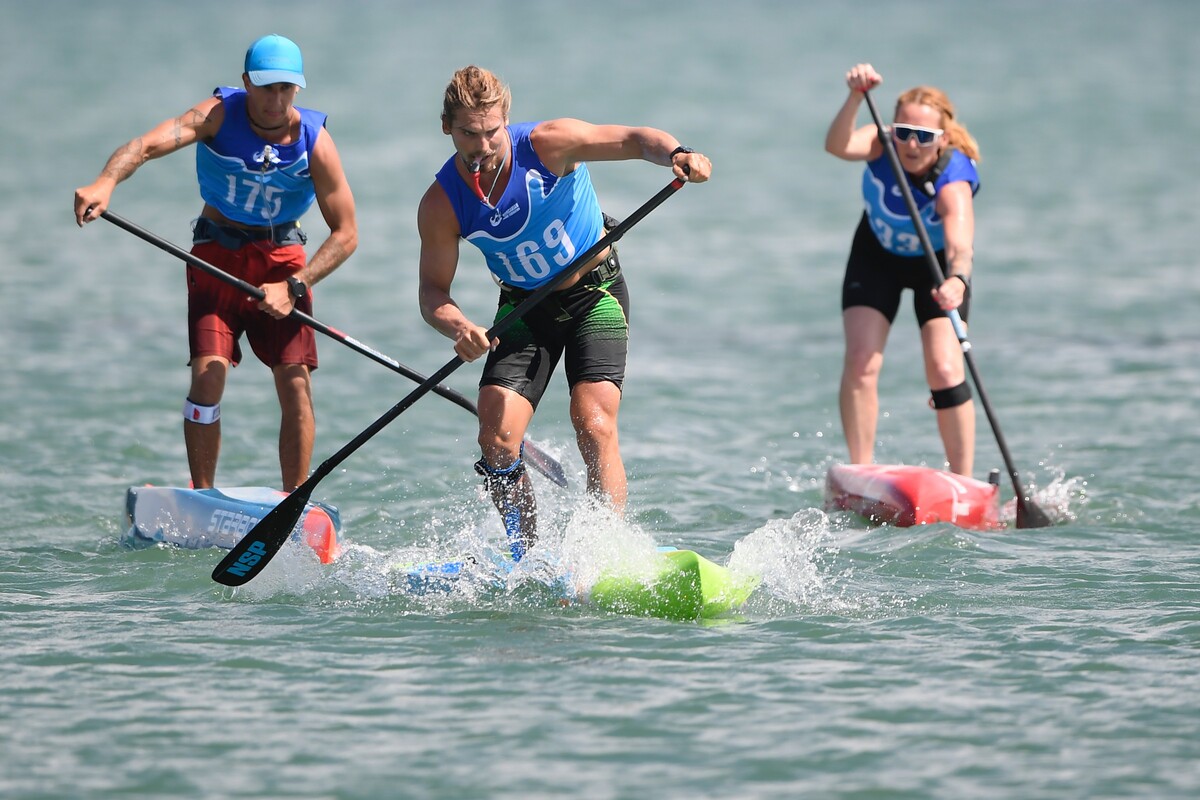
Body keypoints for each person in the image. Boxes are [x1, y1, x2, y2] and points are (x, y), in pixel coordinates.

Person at [417, 65, 711, 561]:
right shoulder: (442, 203)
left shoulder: (550, 144)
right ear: (447, 128)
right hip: (523, 309)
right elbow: (432, 293)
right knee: (496, 439)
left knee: (592, 422)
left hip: (594, 295)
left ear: (504, 120)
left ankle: (605, 554)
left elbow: (637, 140)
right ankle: (526, 558)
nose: (483, 146)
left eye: (491, 132)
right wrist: (460, 326)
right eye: (469, 134)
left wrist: (679, 154)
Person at [74, 34, 357, 491]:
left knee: (296, 386)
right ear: (246, 82)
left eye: (286, 89)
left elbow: (347, 234)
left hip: (283, 263)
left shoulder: (314, 142)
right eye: (266, 88)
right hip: (216, 258)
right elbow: (143, 146)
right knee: (208, 376)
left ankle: (293, 502)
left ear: (298, 90)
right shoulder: (216, 116)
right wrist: (105, 182)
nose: (276, 99)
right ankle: (201, 495)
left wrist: (296, 286)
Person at [824, 63, 981, 477]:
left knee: (945, 369)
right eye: (903, 132)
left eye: (924, 136)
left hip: (937, 268)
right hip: (876, 256)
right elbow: (837, 146)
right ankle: (860, 473)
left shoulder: (954, 175)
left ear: (942, 139)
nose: (911, 144)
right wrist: (856, 96)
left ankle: (964, 481)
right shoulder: (881, 144)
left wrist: (957, 281)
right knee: (861, 361)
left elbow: (961, 242)